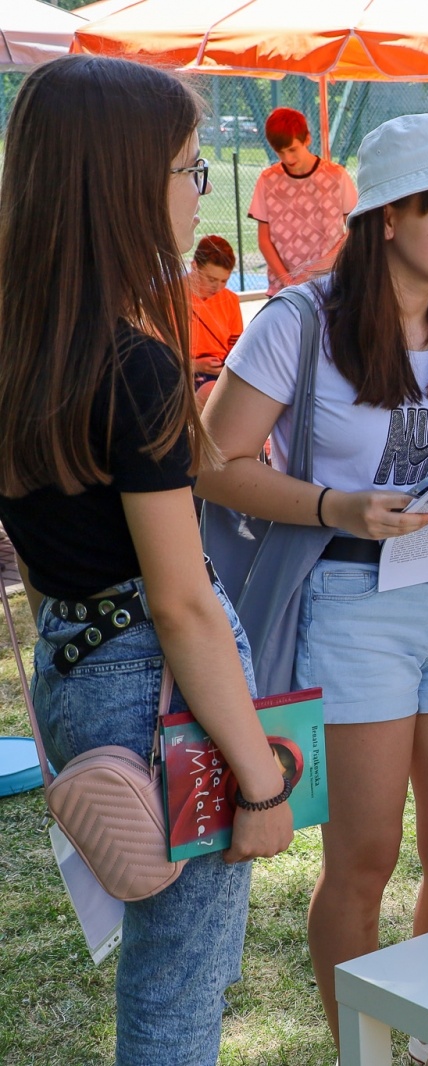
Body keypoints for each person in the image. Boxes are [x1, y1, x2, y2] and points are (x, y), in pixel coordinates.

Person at [196, 114, 428, 1061]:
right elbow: (212, 463)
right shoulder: (298, 322)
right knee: (364, 857)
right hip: (350, 603)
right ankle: (366, 1049)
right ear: (388, 217)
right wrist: (335, 505)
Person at [0, 54, 294, 1066]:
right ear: (124, 185)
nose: (195, 189)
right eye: (187, 168)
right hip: (155, 682)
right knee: (181, 980)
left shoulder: (24, 343)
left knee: (164, 964)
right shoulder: (134, 360)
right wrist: (260, 779)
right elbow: (181, 601)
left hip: (74, 666)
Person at [250, 106, 358, 295]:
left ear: (307, 139)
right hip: (284, 289)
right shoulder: (267, 180)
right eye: (280, 152)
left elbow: (353, 230)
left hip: (330, 283)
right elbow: (264, 239)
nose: (287, 158)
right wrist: (288, 282)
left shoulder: (336, 175)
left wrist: (315, 271)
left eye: (292, 149)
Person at [187, 234, 243, 405]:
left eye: (224, 281)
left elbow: (237, 346)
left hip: (221, 371)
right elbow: (159, 356)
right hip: (185, 372)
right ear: (194, 266)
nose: (217, 287)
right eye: (211, 279)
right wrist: (195, 365)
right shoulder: (169, 297)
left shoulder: (230, 299)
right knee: (212, 395)